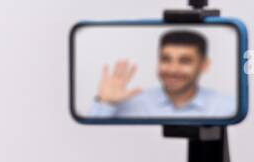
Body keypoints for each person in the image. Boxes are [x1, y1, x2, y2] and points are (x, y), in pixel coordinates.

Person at [87, 30, 235, 119]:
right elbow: (89, 143)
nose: (172, 69)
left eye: (184, 61)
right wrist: (104, 102)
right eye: (166, 59)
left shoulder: (227, 107)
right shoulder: (130, 104)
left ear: (204, 65)